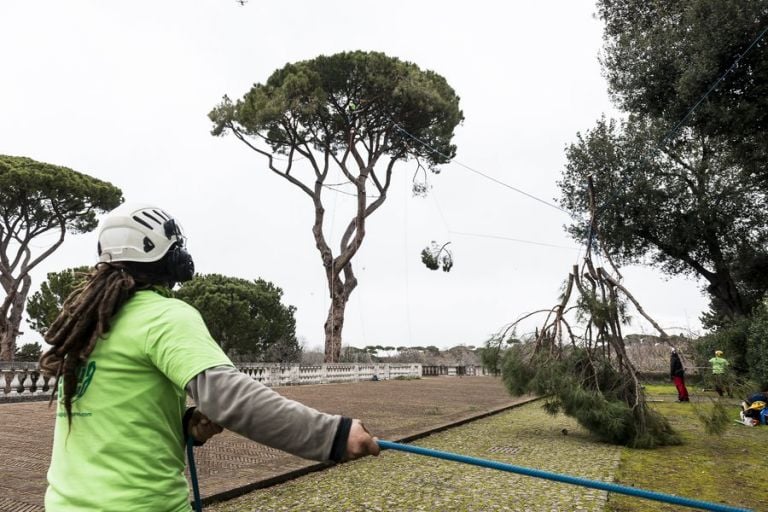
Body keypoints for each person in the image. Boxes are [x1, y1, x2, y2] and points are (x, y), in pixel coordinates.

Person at [40, 203, 380, 512]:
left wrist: (185, 425)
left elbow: (115, 413)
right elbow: (228, 396)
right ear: (163, 253)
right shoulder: (165, 315)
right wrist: (333, 436)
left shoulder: (86, 325)